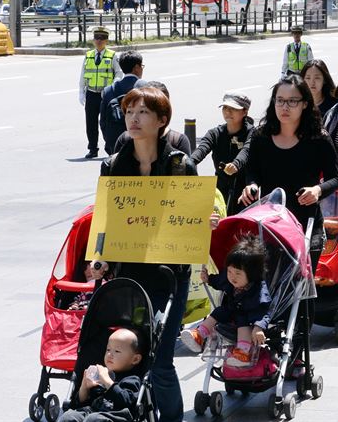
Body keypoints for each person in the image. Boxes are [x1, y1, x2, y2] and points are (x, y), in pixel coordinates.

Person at [90, 87, 196, 422]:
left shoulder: (180, 165)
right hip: (128, 272)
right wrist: (99, 258)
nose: (133, 119)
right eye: (129, 112)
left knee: (162, 359)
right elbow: (105, 217)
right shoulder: (113, 165)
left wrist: (199, 220)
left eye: (143, 113)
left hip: (171, 272)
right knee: (128, 351)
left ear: (162, 120)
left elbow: (188, 217)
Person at [239, 75, 338, 270]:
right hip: (270, 223)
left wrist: (317, 190)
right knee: (269, 288)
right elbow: (252, 171)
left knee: (301, 291)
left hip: (307, 223)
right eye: (280, 100)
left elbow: (334, 179)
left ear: (304, 104)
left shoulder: (318, 138)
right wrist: (251, 185)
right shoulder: (261, 136)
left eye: (292, 101)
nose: (285, 107)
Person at [180, 235, 272, 367]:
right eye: (229, 271)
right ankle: (199, 335)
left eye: (238, 273)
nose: (232, 277)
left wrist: (258, 327)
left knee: (242, 321)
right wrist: (208, 279)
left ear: (252, 275)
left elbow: (263, 310)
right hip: (231, 310)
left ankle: (243, 352)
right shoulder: (229, 279)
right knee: (219, 311)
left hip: (248, 318)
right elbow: (219, 281)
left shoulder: (258, 290)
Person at [58, 329, 145, 422]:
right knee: (68, 416)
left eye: (117, 351)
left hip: (115, 416)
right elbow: (78, 405)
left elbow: (126, 402)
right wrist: (84, 387)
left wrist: (107, 381)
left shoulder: (132, 379)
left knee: (94, 419)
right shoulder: (100, 374)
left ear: (135, 359)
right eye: (108, 349)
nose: (109, 354)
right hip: (91, 412)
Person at [190, 91, 254, 215]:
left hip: (245, 194)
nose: (227, 112)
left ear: (245, 111)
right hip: (219, 191)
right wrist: (189, 163)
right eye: (225, 108)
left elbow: (247, 150)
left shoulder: (253, 133)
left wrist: (236, 164)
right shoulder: (215, 133)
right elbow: (201, 149)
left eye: (233, 108)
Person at [78, 26, 122, 159]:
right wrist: (81, 91)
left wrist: (111, 89)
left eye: (102, 38)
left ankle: (110, 149)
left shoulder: (112, 55)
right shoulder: (89, 55)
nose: (99, 41)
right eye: (96, 38)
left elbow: (119, 74)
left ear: (106, 40)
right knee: (90, 123)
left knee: (106, 124)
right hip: (91, 93)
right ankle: (92, 149)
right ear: (93, 40)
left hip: (105, 95)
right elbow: (83, 74)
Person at [114, 81, 191, 155]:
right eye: (129, 111)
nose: (134, 119)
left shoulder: (177, 141)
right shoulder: (124, 140)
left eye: (143, 111)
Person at [99, 51, 144, 155]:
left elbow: (103, 121)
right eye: (141, 66)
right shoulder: (145, 89)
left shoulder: (109, 90)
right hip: (140, 145)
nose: (142, 69)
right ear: (136, 67)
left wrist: (110, 142)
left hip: (114, 145)